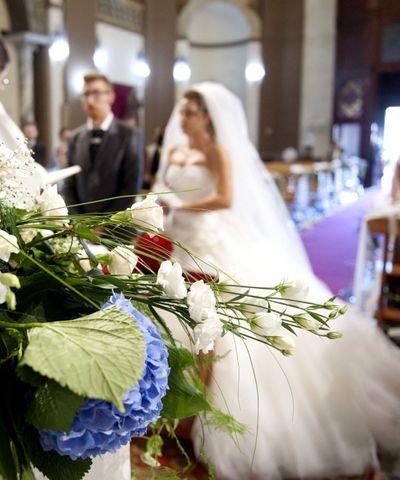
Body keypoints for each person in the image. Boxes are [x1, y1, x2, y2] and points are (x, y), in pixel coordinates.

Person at [154, 83, 400, 478]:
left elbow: (226, 198)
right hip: (182, 241)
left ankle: (217, 407)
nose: (180, 120)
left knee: (227, 320)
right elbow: (166, 187)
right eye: (181, 112)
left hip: (214, 239)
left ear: (206, 117)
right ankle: (179, 399)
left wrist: (183, 204)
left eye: (188, 113)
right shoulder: (179, 151)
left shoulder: (219, 152)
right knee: (179, 313)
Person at [63, 73, 141, 214]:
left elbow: (131, 187)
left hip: (115, 228)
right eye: (86, 94)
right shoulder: (75, 138)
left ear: (111, 96)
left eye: (96, 93)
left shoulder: (129, 135)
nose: (90, 101)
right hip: (81, 228)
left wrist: (103, 226)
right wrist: (80, 224)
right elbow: (69, 185)